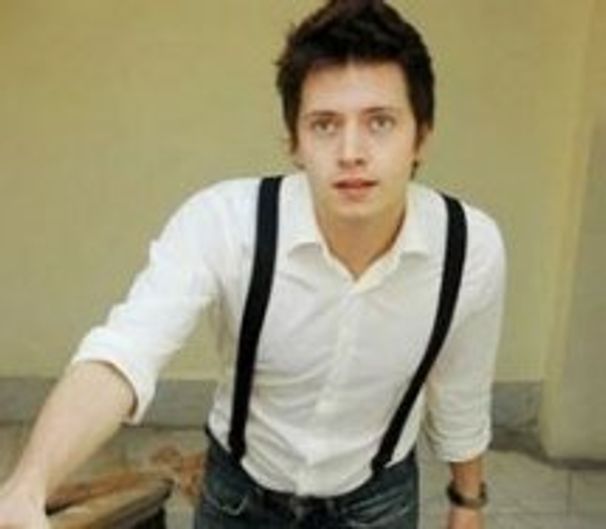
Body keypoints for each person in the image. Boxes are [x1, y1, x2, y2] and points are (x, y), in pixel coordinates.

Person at [0, 1, 505, 528]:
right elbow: (126, 351)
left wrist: (467, 503)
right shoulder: (225, 223)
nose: (351, 151)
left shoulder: (469, 248)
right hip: (240, 495)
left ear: (421, 136)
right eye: (325, 125)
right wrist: (28, 485)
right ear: (294, 143)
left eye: (380, 122)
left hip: (377, 502)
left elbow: (461, 389)